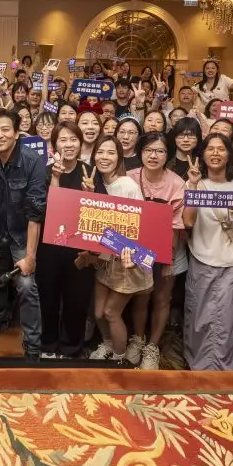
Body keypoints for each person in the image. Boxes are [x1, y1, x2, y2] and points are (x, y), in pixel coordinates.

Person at [182, 133, 233, 370]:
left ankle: (230, 371)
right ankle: (198, 368)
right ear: (203, 154)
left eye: (221, 149)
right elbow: (188, 222)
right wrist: (193, 185)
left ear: (229, 154)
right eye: (210, 149)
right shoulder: (194, 184)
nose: (215, 153)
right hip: (201, 259)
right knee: (199, 317)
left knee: (230, 320)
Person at [0, 109, 47, 359]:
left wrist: (30, 256)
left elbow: (35, 212)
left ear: (16, 133)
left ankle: (33, 343)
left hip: (21, 235)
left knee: (26, 286)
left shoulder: (32, 161)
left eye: (5, 129)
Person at [37, 123, 102, 359]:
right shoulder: (43, 172)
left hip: (79, 249)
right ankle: (48, 345)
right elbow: (47, 212)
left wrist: (90, 195)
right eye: (63, 140)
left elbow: (98, 215)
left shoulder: (90, 172)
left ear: (81, 143)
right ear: (54, 145)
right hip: (49, 247)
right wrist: (55, 177)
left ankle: (71, 348)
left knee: (77, 301)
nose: (69, 144)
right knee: (48, 299)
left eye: (73, 139)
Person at [125, 132, 185, 370]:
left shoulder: (177, 183)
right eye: (148, 150)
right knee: (141, 296)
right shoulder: (129, 178)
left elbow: (176, 226)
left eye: (160, 151)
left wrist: (168, 259)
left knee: (162, 298)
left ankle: (152, 347)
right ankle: (138, 339)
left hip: (169, 248)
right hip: (138, 248)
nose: (153, 156)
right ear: (140, 152)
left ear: (167, 155)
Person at [85, 136, 147, 364]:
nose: (104, 157)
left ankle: (119, 361)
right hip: (104, 258)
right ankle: (108, 344)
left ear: (119, 157)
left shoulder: (128, 185)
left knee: (111, 312)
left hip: (127, 260)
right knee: (98, 312)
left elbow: (141, 225)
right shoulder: (95, 182)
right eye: (100, 152)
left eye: (111, 153)